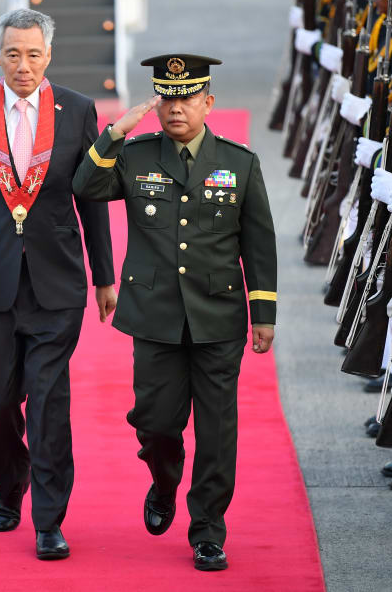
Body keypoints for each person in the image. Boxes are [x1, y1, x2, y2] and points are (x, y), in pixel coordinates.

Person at [73, 54, 277, 571]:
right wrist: (114, 132)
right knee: (156, 422)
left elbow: (258, 242)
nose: (175, 108)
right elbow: (86, 188)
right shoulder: (137, 156)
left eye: (187, 98)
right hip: (156, 314)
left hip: (218, 314)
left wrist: (263, 312)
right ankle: (164, 480)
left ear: (208, 103)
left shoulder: (239, 162)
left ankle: (208, 528)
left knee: (216, 429)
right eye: (166, 98)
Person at [0, 8, 115, 560]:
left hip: (58, 283)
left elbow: (93, 199)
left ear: (49, 56)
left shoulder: (78, 111)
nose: (23, 65)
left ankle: (49, 520)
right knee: (0, 404)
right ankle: (9, 487)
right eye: (13, 54)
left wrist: (104, 276)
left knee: (49, 401)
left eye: (34, 54)